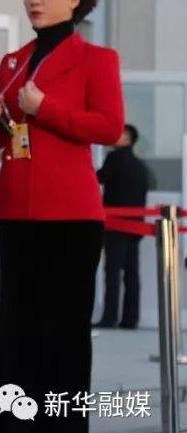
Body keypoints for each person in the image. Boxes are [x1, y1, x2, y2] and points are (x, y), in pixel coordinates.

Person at [0, 0, 124, 433]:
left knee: (63, 340)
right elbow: (1, 134)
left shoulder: (97, 60)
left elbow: (109, 126)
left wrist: (47, 107)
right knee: (16, 335)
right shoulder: (13, 62)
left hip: (70, 217)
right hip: (15, 210)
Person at [95, 125, 155, 330]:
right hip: (135, 226)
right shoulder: (141, 166)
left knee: (112, 272)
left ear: (128, 139)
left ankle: (109, 317)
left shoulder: (114, 158)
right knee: (132, 274)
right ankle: (130, 319)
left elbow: (98, 178)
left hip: (116, 225)